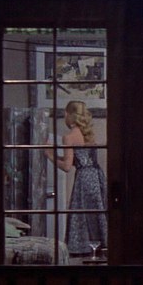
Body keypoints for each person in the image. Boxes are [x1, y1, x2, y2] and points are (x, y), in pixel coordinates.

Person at [44, 100, 108, 256]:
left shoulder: (69, 137)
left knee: (82, 215)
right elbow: (78, 160)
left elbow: (67, 166)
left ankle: (82, 251)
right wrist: (56, 154)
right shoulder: (88, 134)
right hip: (97, 176)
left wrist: (50, 155)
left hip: (84, 180)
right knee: (96, 214)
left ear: (68, 115)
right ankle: (99, 250)